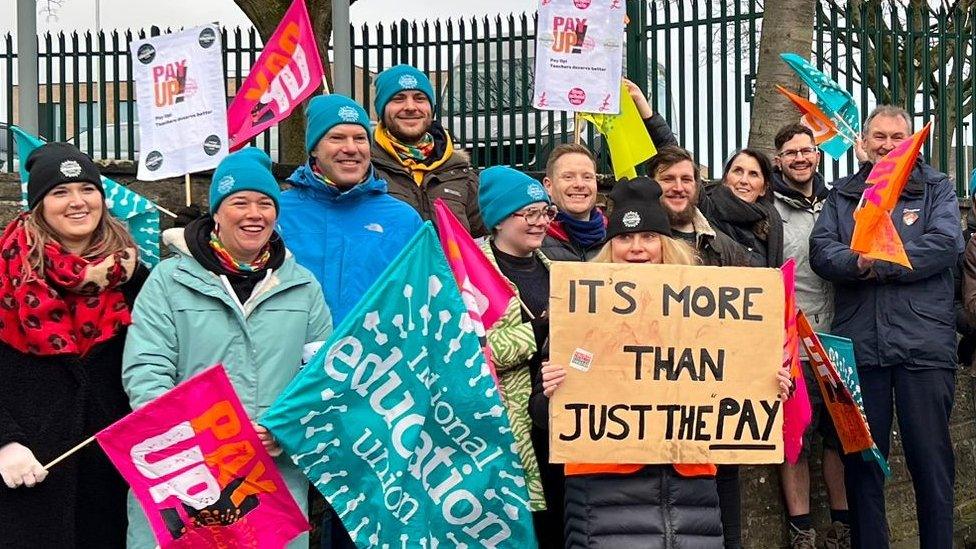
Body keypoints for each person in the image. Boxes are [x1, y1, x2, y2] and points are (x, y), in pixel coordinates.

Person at [531, 177, 792, 549]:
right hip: (606, 498)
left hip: (691, 497)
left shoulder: (710, 315)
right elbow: (542, 416)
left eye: (649, 237)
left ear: (666, 245)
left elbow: (731, 388)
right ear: (610, 246)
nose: (637, 248)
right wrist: (550, 390)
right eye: (624, 238)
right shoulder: (576, 312)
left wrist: (769, 383)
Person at [121, 148, 332, 549]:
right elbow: (146, 370)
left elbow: (319, 377)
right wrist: (203, 439)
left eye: (265, 203)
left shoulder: (304, 286)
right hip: (185, 474)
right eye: (240, 202)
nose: (254, 213)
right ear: (216, 212)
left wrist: (283, 429)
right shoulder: (169, 280)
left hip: (271, 479)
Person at [811, 105, 963, 549]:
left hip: (925, 347)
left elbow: (945, 244)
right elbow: (823, 251)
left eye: (898, 137)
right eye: (879, 136)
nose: (888, 145)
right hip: (861, 348)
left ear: (912, 141)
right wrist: (858, 261)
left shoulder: (938, 188)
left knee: (931, 461)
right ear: (864, 140)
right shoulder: (843, 195)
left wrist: (876, 264)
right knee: (862, 463)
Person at [0, 142, 147, 548]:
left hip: (112, 473)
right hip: (27, 473)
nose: (77, 202)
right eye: (60, 192)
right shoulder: (5, 272)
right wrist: (4, 441)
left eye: (87, 189)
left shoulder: (135, 276)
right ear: (39, 204)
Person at [278, 93, 423, 326]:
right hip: (299, 358)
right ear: (314, 148)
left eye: (360, 138)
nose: (350, 148)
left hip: (377, 357)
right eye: (336, 137)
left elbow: (421, 298)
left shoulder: (403, 220)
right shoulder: (278, 214)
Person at [770, 123, 847, 548]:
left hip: (838, 339)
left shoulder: (838, 201)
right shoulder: (767, 205)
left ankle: (842, 525)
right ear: (778, 158)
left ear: (818, 155)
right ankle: (802, 531)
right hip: (792, 342)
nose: (800, 158)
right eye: (791, 152)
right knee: (795, 439)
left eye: (807, 150)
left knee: (840, 438)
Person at [477, 166, 562, 547]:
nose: (540, 222)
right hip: (501, 433)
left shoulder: (558, 272)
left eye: (545, 212)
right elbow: (472, 352)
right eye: (529, 213)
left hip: (556, 425)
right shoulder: (469, 272)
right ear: (498, 218)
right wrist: (537, 332)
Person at [539, 78, 676, 262]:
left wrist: (648, 116)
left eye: (587, 177)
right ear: (548, 185)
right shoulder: (534, 241)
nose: (579, 184)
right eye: (568, 176)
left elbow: (672, 163)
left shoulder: (616, 237)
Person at [370, 64, 487, 236]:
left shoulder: (460, 174)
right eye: (398, 98)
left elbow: (484, 242)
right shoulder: (365, 172)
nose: (410, 107)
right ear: (381, 109)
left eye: (419, 98)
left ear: (431, 108)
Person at [648, 145, 750, 267]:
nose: (678, 188)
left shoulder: (728, 251)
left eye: (686, 180)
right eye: (668, 179)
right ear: (651, 184)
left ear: (696, 187)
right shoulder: (635, 245)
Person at [701, 148, 784, 268]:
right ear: (725, 179)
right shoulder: (704, 210)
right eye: (738, 171)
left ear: (763, 189)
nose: (744, 180)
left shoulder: (770, 225)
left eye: (753, 174)